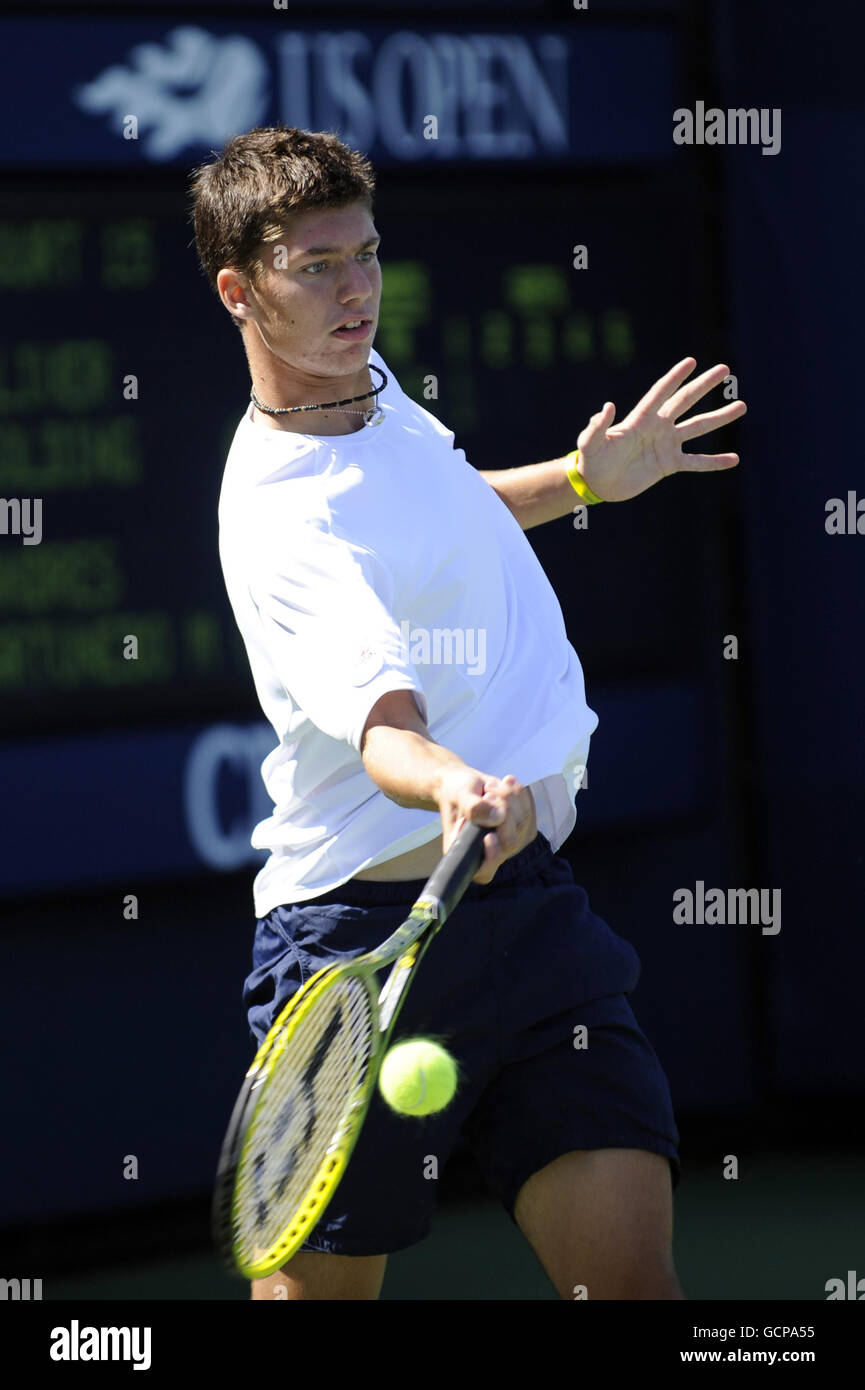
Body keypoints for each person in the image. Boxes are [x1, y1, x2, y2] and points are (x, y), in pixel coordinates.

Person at [191, 125, 746, 1301]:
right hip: (352, 949)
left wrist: (591, 478)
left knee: (635, 1287)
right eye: (317, 265)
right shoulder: (287, 523)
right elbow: (384, 725)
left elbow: (441, 517)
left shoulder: (369, 392)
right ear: (240, 291)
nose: (358, 290)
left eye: (368, 252)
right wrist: (452, 783)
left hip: (529, 917)